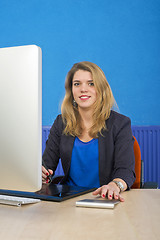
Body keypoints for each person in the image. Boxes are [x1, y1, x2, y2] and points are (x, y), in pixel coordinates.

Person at [42, 61, 135, 202]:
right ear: (71, 90)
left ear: (101, 89)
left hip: (103, 199)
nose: (83, 89)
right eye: (77, 84)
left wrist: (115, 185)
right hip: (67, 201)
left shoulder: (120, 124)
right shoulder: (61, 123)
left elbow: (125, 170)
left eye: (91, 83)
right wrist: (41, 174)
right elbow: (47, 165)